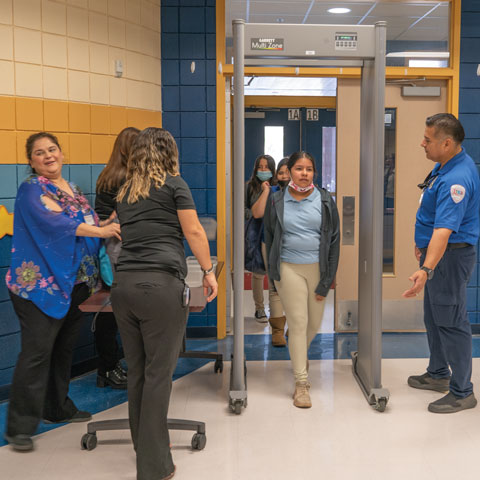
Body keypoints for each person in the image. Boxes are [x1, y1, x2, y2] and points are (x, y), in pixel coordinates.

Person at [111, 127, 217, 480]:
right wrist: (208, 271)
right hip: (160, 288)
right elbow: (195, 231)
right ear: (169, 153)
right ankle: (154, 466)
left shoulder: (125, 192)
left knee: (138, 372)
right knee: (159, 376)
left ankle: (147, 446)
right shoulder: (175, 184)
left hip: (123, 289)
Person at [4, 132, 121, 452]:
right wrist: (100, 228)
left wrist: (112, 221)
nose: (48, 155)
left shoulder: (74, 190)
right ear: (31, 161)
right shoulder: (31, 189)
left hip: (75, 285)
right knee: (37, 353)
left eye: (52, 149)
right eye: (39, 153)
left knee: (62, 349)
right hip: (37, 288)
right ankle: (19, 427)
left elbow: (92, 224)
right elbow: (56, 224)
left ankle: (56, 408)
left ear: (62, 153)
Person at [403, 113, 480, 414]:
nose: (422, 143)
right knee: (434, 317)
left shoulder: (457, 179)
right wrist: (421, 245)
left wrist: (426, 268)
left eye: (428, 139)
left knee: (451, 321)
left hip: (449, 258)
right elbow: (431, 216)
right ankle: (438, 373)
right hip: (438, 256)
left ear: (447, 143)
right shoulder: (445, 166)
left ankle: (462, 391)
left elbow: (444, 231)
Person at [264, 151, 340, 408]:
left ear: (314, 173)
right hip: (288, 268)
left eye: (309, 169)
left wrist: (328, 277)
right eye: (299, 168)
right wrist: (273, 272)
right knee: (298, 322)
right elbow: (269, 237)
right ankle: (301, 383)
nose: (304, 173)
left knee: (314, 323)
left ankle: (300, 354)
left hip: (317, 268)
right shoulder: (276, 200)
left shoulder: (326, 200)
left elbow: (334, 241)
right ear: (290, 171)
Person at [94, 127, 140, 389]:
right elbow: (104, 220)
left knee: (111, 312)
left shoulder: (106, 176)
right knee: (114, 313)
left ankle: (108, 367)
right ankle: (110, 367)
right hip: (121, 252)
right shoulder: (123, 179)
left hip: (114, 251)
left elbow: (101, 218)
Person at [245, 154, 287, 346]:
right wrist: (264, 192)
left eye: (266, 167)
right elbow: (253, 212)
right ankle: (262, 310)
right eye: (260, 167)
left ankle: (288, 322)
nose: (263, 171)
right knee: (262, 276)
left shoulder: (284, 190)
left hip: (286, 242)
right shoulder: (257, 188)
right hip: (260, 235)